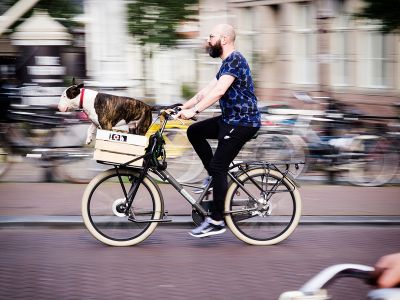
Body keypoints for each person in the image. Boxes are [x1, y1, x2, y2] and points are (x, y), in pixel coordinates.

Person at [177, 23, 261, 238]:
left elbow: (219, 92)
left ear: (224, 39)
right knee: (194, 131)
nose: (207, 41)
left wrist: (194, 110)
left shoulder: (236, 59)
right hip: (230, 120)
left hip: (243, 123)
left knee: (219, 166)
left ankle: (216, 220)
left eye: (211, 36)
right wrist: (181, 107)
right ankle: (214, 177)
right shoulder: (226, 64)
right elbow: (206, 91)